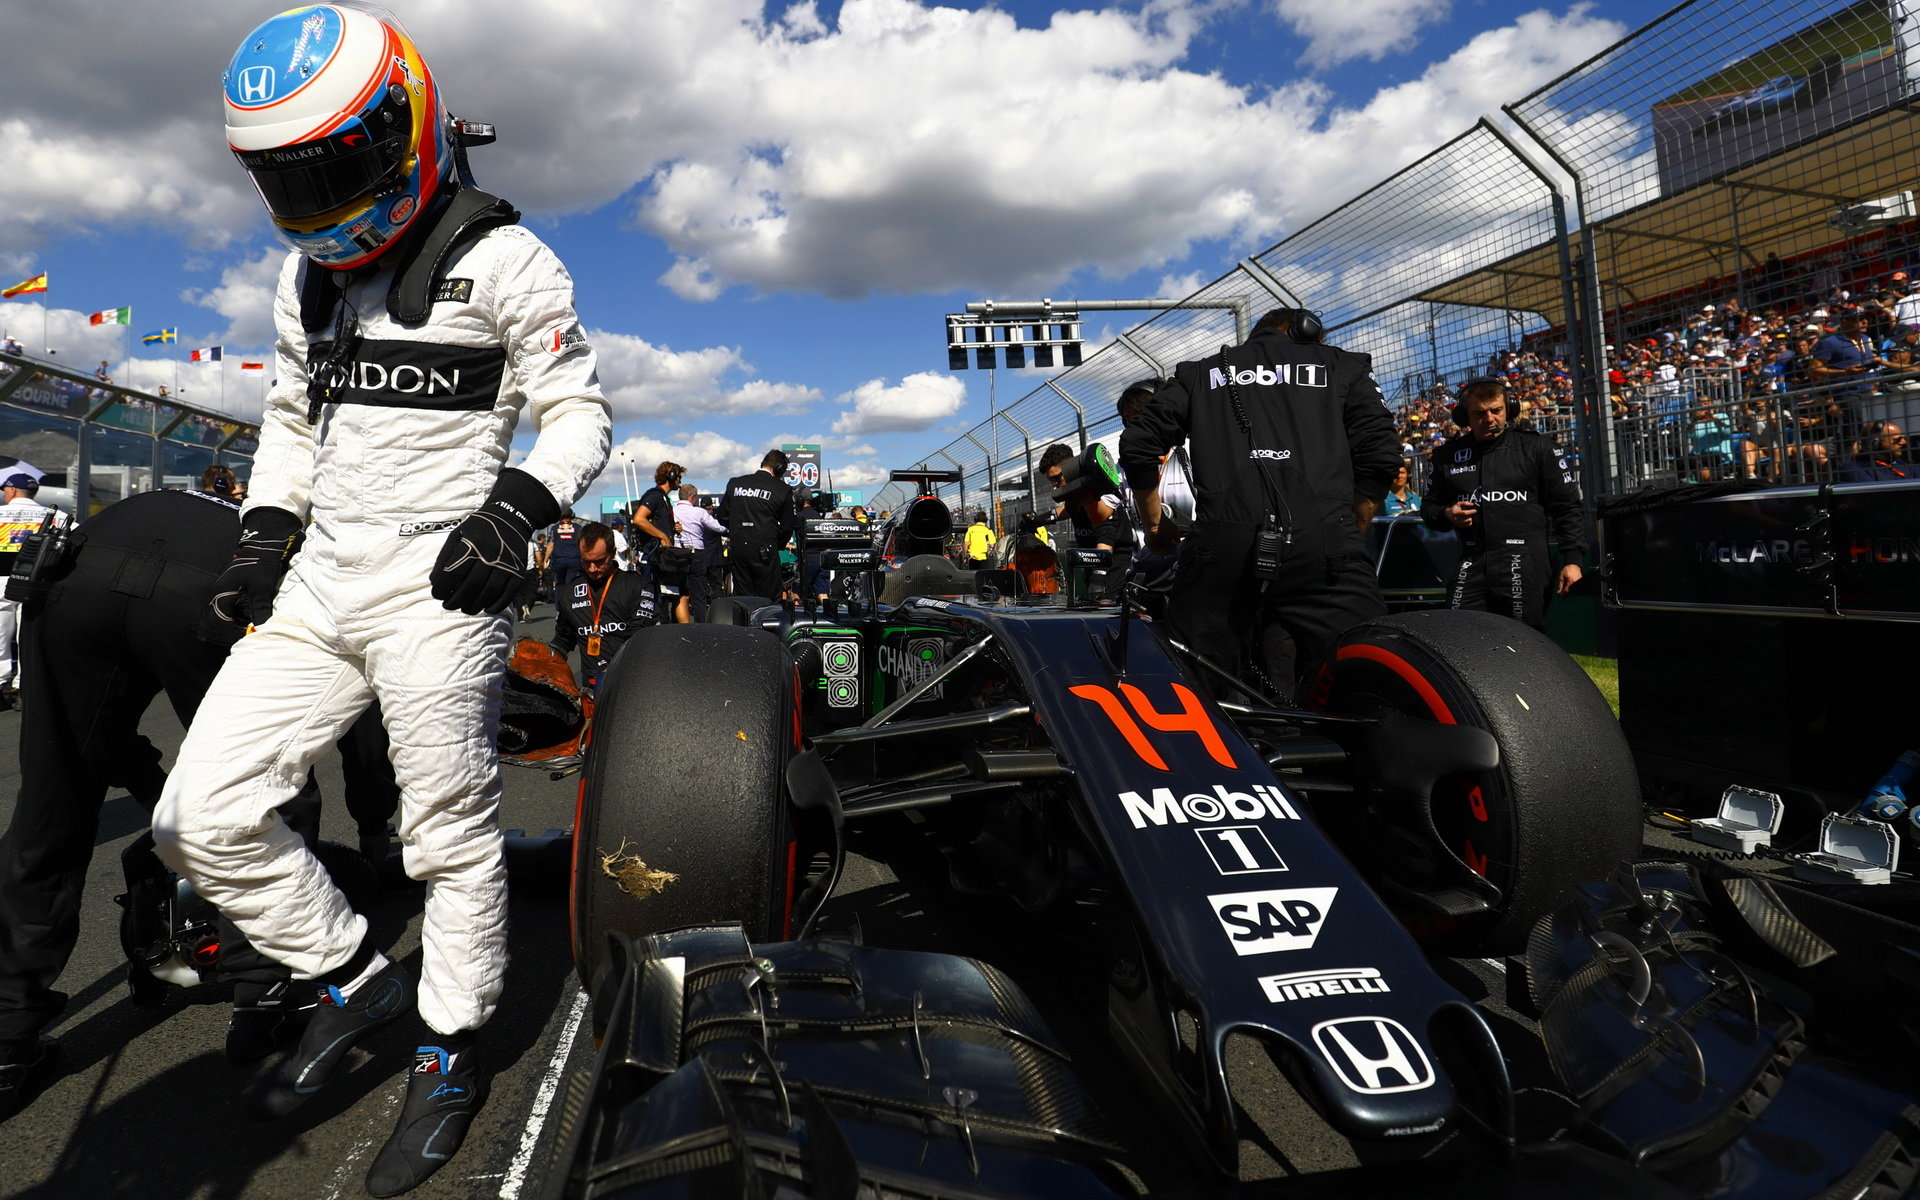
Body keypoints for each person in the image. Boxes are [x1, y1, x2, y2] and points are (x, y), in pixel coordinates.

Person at [151, 9, 611, 1197]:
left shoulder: (505, 259)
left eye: (338, 163)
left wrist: (513, 514)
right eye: (290, 176)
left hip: (441, 583)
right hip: (320, 580)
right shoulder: (305, 274)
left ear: (407, 121)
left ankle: (449, 1054)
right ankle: (360, 984)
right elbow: (292, 428)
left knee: (445, 837)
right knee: (196, 817)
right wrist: (261, 540)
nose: (320, 197)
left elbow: (579, 414)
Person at [0, 487, 402, 1122]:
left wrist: (159, 795)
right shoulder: (320, 551)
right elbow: (361, 725)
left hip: (81, 568)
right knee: (265, 786)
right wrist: (378, 832)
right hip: (209, 584)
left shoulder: (241, 506)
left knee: (52, 805)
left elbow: (104, 742)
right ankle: (261, 993)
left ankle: (6, 1038)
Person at [1118, 307, 1400, 696]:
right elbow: (1381, 455)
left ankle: (1216, 749)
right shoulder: (1340, 365)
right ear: (1305, 331)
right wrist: (1352, 527)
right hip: (1325, 544)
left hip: (1222, 546)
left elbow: (1137, 445)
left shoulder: (1200, 373)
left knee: (1199, 684)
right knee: (1367, 672)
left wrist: (1154, 526)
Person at [1421, 377, 1585, 631]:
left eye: (1496, 410)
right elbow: (1428, 509)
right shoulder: (1447, 456)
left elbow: (1567, 507)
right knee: (1459, 636)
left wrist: (1572, 560)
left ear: (1509, 408)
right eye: (1479, 413)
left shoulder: (1536, 447)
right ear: (1465, 417)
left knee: (1523, 642)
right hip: (1472, 562)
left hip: (1525, 564)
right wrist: (1447, 514)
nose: (1489, 419)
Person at [550, 521, 657, 689]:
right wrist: (545, 659)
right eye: (586, 562)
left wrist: (612, 669)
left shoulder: (638, 586)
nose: (592, 569)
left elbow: (638, 637)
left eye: (599, 561)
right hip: (590, 688)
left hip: (631, 684)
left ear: (613, 553)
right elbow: (563, 639)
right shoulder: (569, 593)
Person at [0, 473, 67, 710]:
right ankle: (23, 686)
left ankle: (1, 683)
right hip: (37, 582)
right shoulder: (57, 516)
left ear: (11, 491)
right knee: (27, 634)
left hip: (1, 581)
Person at [717, 449, 796, 599]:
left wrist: (738, 530)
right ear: (778, 469)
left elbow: (722, 516)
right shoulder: (782, 489)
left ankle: (744, 622)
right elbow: (787, 526)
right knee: (769, 600)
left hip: (739, 549)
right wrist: (776, 542)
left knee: (743, 598)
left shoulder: (735, 484)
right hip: (765, 551)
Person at [631, 462, 683, 617]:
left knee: (664, 600)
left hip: (661, 558)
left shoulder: (664, 499)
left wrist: (672, 528)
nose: (680, 481)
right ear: (671, 477)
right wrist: (661, 535)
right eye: (678, 476)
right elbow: (639, 519)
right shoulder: (655, 495)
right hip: (653, 557)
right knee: (654, 602)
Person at [673, 483, 726, 622]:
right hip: (697, 553)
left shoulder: (672, 511)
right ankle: (700, 624)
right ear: (692, 497)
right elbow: (718, 528)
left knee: (677, 592)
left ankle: (676, 622)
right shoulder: (699, 512)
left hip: (677, 553)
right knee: (699, 594)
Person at [1835, 420, 1915, 482]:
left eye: (1903, 438)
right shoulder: (1854, 469)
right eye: (1897, 440)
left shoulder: (1904, 464)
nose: (1904, 442)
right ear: (1874, 443)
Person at [547, 508, 584, 596]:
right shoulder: (578, 528)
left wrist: (545, 560)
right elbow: (582, 544)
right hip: (574, 560)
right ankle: (571, 604)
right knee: (572, 583)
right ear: (572, 516)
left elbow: (550, 545)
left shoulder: (554, 528)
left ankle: (560, 606)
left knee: (559, 584)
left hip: (558, 560)